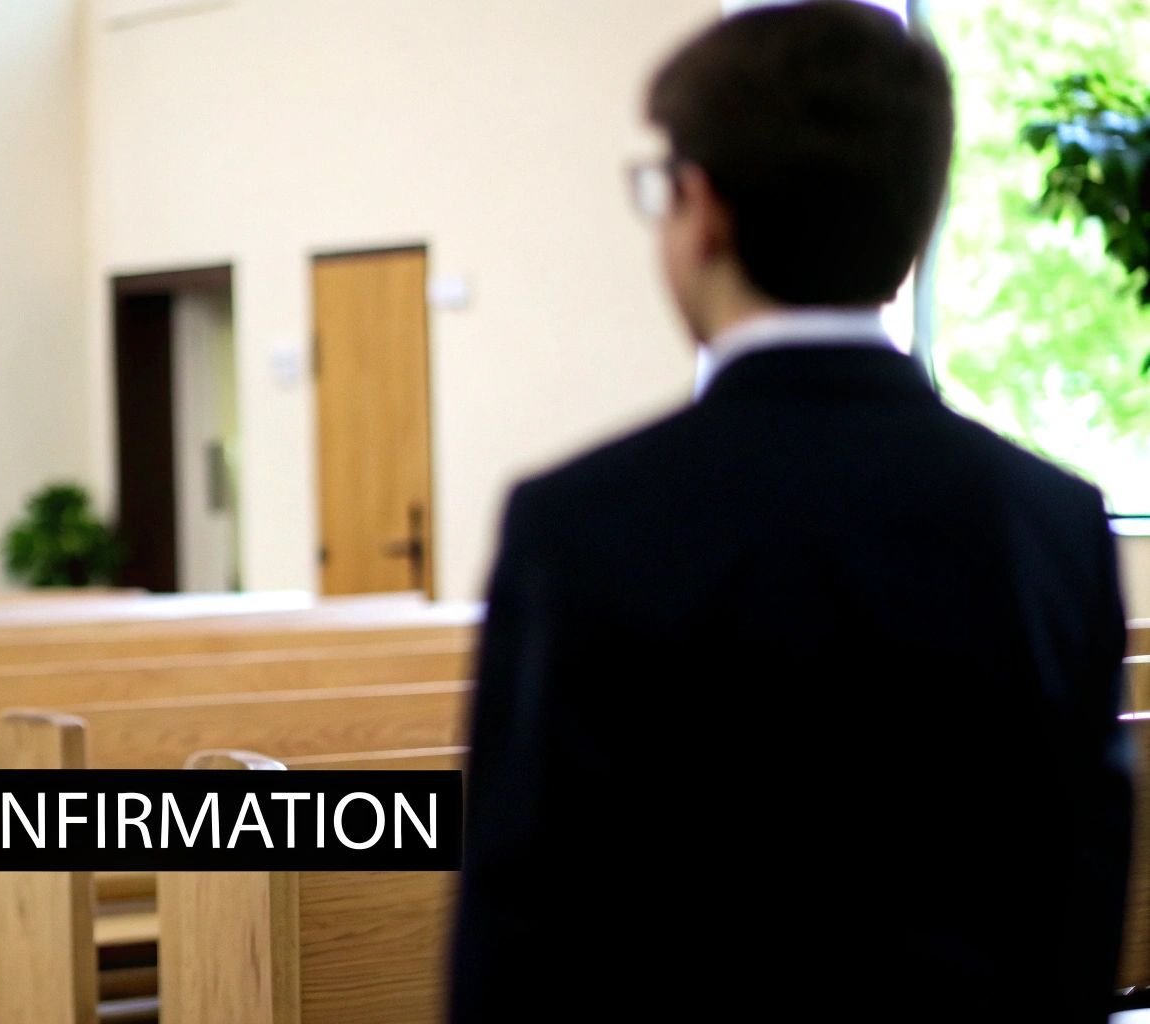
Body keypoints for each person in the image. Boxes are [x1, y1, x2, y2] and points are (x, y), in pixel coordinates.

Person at [447, 3, 1131, 1020]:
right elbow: (1077, 920)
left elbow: (519, 943)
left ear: (702, 210)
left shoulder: (576, 526)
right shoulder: (1053, 524)